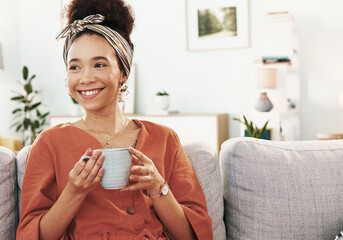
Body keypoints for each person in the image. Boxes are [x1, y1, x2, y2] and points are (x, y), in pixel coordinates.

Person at [16, 0, 213, 239]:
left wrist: (157, 187)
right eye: (75, 67)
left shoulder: (165, 139)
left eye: (99, 64)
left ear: (123, 73)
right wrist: (74, 192)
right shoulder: (49, 143)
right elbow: (32, 235)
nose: (86, 78)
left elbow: (193, 235)